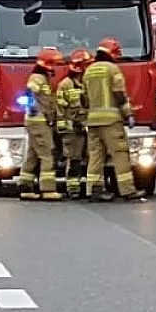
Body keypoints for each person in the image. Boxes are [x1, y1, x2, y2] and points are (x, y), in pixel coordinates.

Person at [83, 36, 134, 202]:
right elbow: (119, 93)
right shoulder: (113, 70)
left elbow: (83, 98)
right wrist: (128, 114)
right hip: (111, 121)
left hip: (93, 121)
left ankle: (94, 190)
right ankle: (127, 190)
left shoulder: (88, 71)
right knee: (120, 153)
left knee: (95, 155)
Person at [19, 48, 63, 201]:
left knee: (32, 155)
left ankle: (25, 187)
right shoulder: (37, 78)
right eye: (53, 64)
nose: (54, 67)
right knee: (47, 154)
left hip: (37, 121)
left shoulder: (43, 78)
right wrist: (31, 107)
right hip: (38, 121)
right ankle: (48, 189)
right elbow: (29, 92)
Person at [54, 50, 90, 200]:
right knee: (74, 160)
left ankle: (93, 188)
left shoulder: (87, 83)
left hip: (89, 128)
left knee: (94, 158)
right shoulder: (65, 85)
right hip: (73, 130)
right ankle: (73, 188)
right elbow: (60, 110)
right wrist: (68, 127)